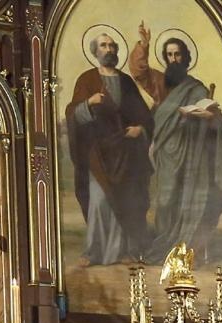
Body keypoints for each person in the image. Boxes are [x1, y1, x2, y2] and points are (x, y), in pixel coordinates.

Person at [129, 24, 222, 264]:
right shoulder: (161, 83)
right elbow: (139, 72)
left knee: (186, 197)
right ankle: (165, 242)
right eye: (169, 55)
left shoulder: (197, 88)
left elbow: (216, 118)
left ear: (185, 57)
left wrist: (207, 117)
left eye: (177, 54)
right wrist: (143, 45)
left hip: (191, 154)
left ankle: (185, 247)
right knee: (165, 199)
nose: (173, 59)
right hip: (165, 152)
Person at [65, 29, 154, 266]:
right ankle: (94, 252)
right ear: (95, 51)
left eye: (112, 46)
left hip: (125, 151)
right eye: (104, 46)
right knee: (99, 200)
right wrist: (88, 103)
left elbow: (144, 116)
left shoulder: (125, 81)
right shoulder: (87, 79)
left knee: (127, 199)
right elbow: (72, 114)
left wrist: (140, 130)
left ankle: (126, 251)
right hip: (98, 152)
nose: (109, 50)